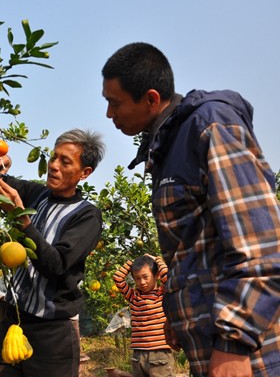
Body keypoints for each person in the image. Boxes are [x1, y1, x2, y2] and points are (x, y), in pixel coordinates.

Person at [101, 42, 280, 377]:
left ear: (151, 99)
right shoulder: (168, 146)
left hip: (253, 354)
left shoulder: (211, 125)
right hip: (208, 345)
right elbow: (190, 249)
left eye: (114, 103)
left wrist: (235, 340)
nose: (109, 114)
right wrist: (176, 310)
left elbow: (261, 246)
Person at [0, 128, 106, 377]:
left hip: (52, 333)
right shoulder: (37, 195)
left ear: (85, 173)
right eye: (54, 157)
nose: (53, 166)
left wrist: (22, 220)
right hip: (14, 321)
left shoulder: (86, 216)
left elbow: (56, 265)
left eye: (65, 161)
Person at [113, 254, 174, 377]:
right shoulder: (134, 296)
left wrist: (157, 259)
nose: (142, 282)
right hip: (138, 354)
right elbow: (117, 278)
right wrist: (133, 262)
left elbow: (168, 277)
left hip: (159, 353)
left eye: (146, 277)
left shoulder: (162, 294)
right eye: (137, 278)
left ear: (156, 276)